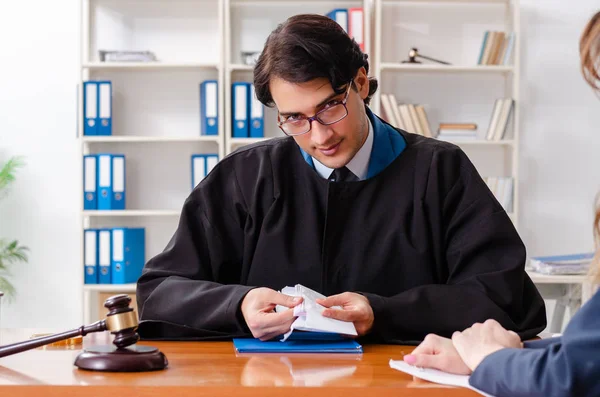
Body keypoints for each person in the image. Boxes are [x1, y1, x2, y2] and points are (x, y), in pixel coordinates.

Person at [135, 14, 546, 343]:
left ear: (361, 83)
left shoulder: (441, 171)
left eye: (330, 106)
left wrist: (383, 313)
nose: (320, 136)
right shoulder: (245, 176)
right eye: (294, 118)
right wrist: (238, 305)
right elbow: (159, 292)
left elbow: (502, 298)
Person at [403, 11, 600, 396]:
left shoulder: (440, 164)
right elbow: (587, 357)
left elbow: (568, 380)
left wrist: (492, 360)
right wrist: (497, 354)